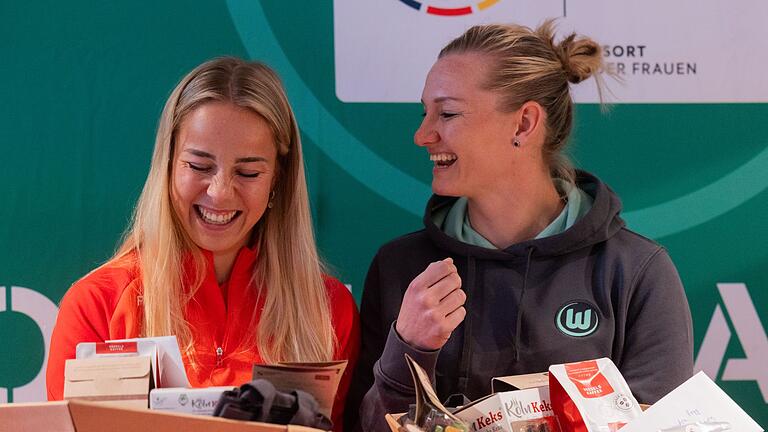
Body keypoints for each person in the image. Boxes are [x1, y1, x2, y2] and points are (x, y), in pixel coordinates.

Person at [346, 21, 693, 431]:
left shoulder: (635, 270)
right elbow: (366, 426)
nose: (423, 135)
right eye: (426, 113)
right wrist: (410, 350)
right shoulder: (401, 267)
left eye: (448, 113)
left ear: (524, 124)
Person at [46, 57, 360, 430]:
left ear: (278, 180)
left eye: (248, 172)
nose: (220, 192)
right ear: (168, 165)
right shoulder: (97, 304)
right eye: (198, 166)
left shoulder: (326, 309)